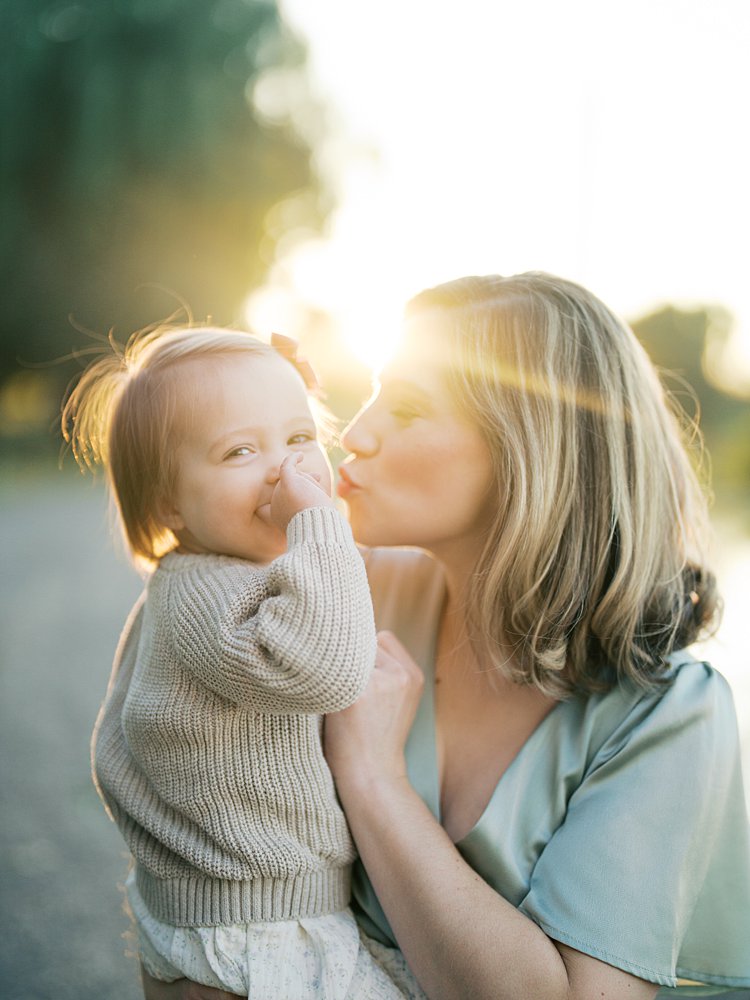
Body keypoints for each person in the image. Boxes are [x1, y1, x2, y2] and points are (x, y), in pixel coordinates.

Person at [140, 273, 750, 1000]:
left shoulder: (672, 713)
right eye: (370, 396)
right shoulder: (344, 594)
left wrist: (374, 778)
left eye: (406, 407)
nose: (354, 434)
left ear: (531, 452)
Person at [62, 326, 426, 999]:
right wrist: (321, 525)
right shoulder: (211, 594)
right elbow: (329, 671)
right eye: (239, 451)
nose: (284, 472)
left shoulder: (212, 579)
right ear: (170, 502)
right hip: (261, 927)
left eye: (298, 439)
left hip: (254, 914)